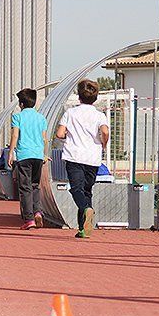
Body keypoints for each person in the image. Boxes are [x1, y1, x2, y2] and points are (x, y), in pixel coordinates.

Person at [55, 79, 109, 238]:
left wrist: (66, 136)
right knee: (87, 190)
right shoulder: (100, 115)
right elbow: (105, 132)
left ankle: (86, 209)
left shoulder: (70, 113)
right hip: (93, 158)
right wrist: (103, 144)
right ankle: (84, 228)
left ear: (78, 96)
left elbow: (59, 134)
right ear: (96, 97)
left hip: (74, 156)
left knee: (76, 189)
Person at [7, 88, 48, 230]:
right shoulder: (41, 118)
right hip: (38, 155)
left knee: (24, 187)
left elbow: (15, 136)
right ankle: (38, 211)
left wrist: (11, 152)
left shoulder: (17, 117)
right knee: (35, 185)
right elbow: (44, 138)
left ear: (21, 103)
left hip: (24, 155)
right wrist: (44, 154)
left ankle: (29, 218)